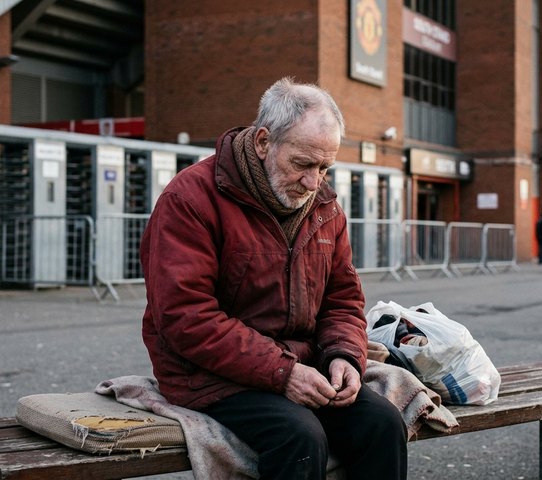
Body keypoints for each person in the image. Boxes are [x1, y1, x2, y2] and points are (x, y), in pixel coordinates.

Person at [140, 77, 408, 479]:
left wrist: (343, 357)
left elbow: (343, 301)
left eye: (324, 167)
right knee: (299, 435)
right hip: (208, 374)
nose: (313, 181)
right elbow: (185, 317)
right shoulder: (189, 199)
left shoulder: (325, 208)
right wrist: (282, 372)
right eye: (302, 164)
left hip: (302, 366)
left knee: (383, 424)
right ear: (264, 142)